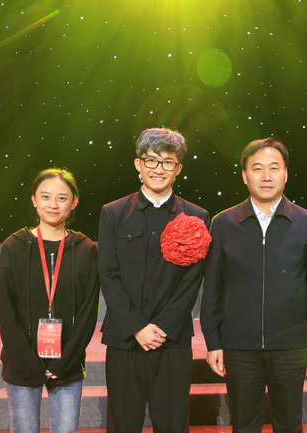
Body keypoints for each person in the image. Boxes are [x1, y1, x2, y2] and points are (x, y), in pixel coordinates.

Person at [200, 137, 307, 433]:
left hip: (291, 345)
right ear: (245, 175)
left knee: (289, 424)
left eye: (274, 168)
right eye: (257, 168)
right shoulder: (223, 223)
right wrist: (213, 341)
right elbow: (213, 288)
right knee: (244, 425)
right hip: (239, 346)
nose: (266, 176)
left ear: (286, 173)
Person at [98, 127, 210, 433]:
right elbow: (108, 274)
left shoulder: (196, 216)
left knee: (173, 423)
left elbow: (192, 281)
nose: (158, 169)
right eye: (151, 160)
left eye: (167, 162)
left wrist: (161, 328)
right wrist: (137, 326)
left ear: (178, 169)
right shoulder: (113, 213)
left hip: (171, 340)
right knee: (123, 424)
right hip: (124, 338)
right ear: (138, 164)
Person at [0, 168, 99, 433]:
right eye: (45, 196)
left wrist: (65, 361)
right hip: (21, 363)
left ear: (74, 202)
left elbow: (88, 312)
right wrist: (27, 361)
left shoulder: (86, 249)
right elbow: (6, 310)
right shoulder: (14, 246)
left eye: (62, 198)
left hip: (67, 364)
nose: (53, 204)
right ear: (34, 200)